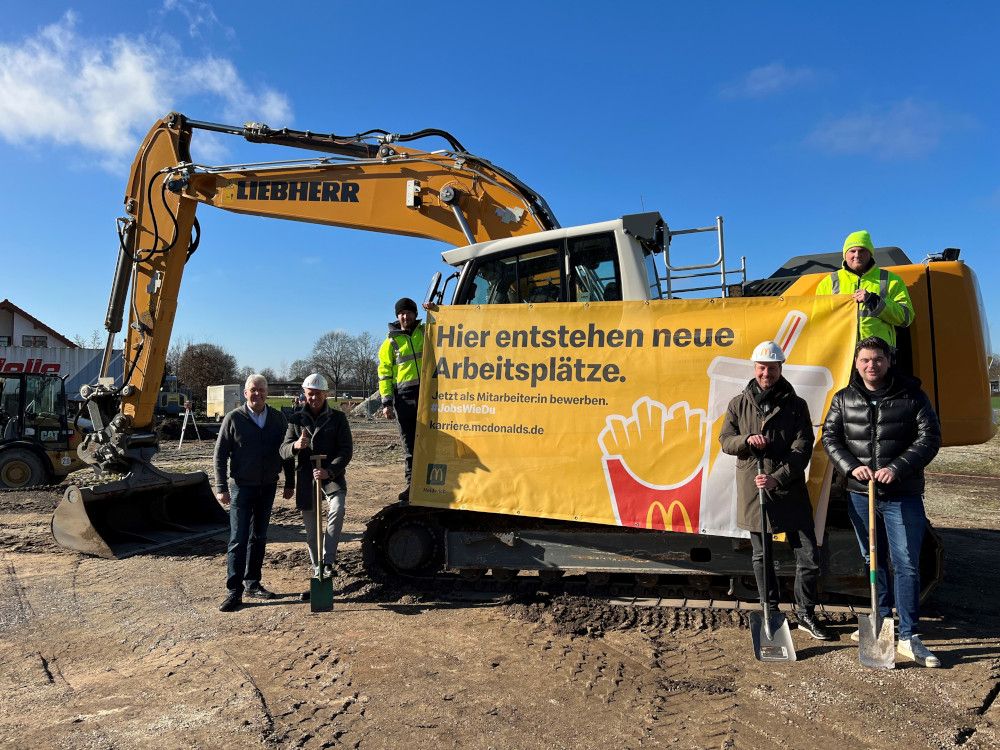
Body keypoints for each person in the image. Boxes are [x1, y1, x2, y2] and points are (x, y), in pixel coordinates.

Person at [822, 336, 942, 666]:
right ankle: (881, 621)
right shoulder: (844, 399)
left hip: (901, 495)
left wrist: (897, 468)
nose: (871, 365)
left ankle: (909, 636)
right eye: (864, 360)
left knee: (905, 562)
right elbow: (830, 438)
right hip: (861, 495)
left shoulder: (912, 396)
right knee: (872, 559)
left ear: (888, 361)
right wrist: (850, 467)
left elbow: (930, 437)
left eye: (877, 359)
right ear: (856, 364)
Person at [719, 340, 834, 640]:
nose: (765, 373)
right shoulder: (738, 403)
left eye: (771, 367)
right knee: (762, 556)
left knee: (808, 556)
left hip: (789, 490)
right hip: (754, 489)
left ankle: (806, 612)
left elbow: (803, 447)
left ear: (780, 368)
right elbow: (725, 441)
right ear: (754, 368)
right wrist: (746, 440)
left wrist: (778, 477)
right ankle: (770, 609)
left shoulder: (796, 405)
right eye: (761, 367)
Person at [214, 374, 294, 612]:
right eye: (252, 390)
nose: (257, 394)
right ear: (245, 393)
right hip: (241, 487)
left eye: (261, 389)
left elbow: (286, 452)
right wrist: (220, 487)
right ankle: (234, 590)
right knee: (238, 539)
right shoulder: (234, 419)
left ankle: (252, 582)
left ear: (266, 392)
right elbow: (220, 455)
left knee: (259, 537)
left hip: (267, 486)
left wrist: (290, 482)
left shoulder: (278, 419)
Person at [280, 373, 353, 602]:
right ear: (305, 393)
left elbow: (346, 450)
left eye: (318, 394)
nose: (314, 398)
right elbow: (282, 450)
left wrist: (329, 471)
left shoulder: (338, 418)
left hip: (331, 476)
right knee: (312, 534)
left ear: (326, 394)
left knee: (337, 508)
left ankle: (328, 561)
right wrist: (295, 445)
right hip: (307, 479)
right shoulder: (295, 419)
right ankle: (317, 568)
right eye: (310, 394)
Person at [816, 229, 914, 348]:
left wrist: (874, 301)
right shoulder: (828, 282)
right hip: (841, 356)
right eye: (852, 251)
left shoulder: (891, 280)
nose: (857, 255)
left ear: (870, 253)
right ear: (845, 254)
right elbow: (817, 321)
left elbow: (906, 317)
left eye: (862, 251)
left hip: (879, 356)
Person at [377, 297, 425, 501]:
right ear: (397, 316)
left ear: (415, 314)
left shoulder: (425, 332)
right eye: (401, 313)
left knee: (431, 440)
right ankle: (411, 485)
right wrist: (386, 402)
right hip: (404, 399)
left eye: (408, 312)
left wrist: (436, 310)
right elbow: (384, 374)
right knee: (409, 445)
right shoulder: (390, 342)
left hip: (426, 394)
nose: (405, 316)